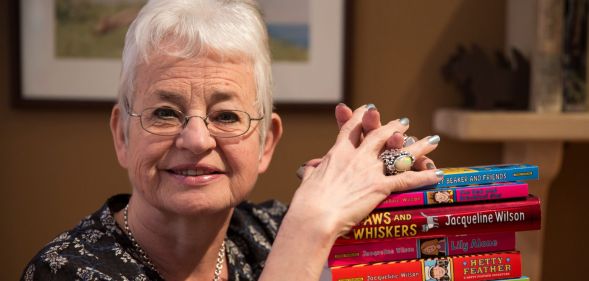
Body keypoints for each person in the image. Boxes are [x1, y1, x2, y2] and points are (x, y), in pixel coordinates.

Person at [21, 0, 443, 280]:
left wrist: (399, 199)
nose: (196, 139)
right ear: (122, 134)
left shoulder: (271, 229)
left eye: (226, 115)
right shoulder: (66, 271)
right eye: (165, 113)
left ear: (267, 142)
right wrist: (310, 228)